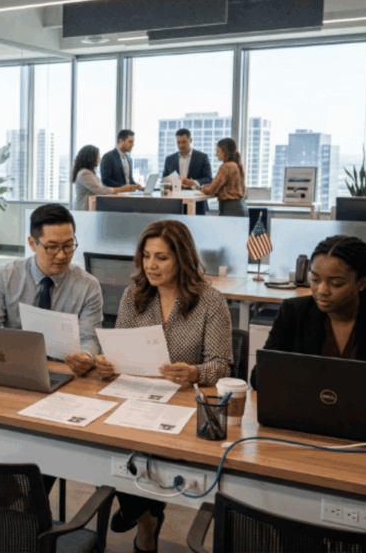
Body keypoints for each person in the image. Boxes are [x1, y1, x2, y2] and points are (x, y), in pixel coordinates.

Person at [93, 220, 233, 553]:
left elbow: (222, 365)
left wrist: (195, 373)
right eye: (146, 256)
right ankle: (145, 515)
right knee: (108, 441)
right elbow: (119, 348)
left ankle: (139, 514)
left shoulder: (210, 301)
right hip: (135, 395)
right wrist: (106, 361)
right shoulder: (134, 294)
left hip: (182, 404)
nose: (151, 266)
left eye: (162, 258)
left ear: (181, 259)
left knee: (134, 453)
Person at [0, 203, 104, 500]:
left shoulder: (87, 286)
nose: (62, 255)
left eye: (69, 245)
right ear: (32, 243)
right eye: (51, 247)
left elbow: (89, 338)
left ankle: (25, 509)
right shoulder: (4, 277)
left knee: (42, 454)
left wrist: (85, 357)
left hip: (62, 385)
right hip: (11, 379)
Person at [252, 235, 366, 433]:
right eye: (315, 279)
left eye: (335, 283)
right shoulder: (294, 312)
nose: (322, 290)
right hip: (302, 426)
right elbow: (260, 377)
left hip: (365, 433)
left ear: (361, 283)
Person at [73, 145, 141, 211]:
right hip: (83, 209)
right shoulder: (84, 173)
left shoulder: (90, 172)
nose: (99, 159)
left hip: (88, 209)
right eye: (98, 157)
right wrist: (122, 189)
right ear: (91, 158)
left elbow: (101, 189)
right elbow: (100, 190)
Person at [161, 128, 213, 215]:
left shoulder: (202, 157)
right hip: (175, 204)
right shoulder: (169, 159)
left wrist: (193, 182)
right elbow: (163, 179)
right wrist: (173, 181)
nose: (181, 145)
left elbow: (209, 179)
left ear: (191, 140)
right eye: (178, 142)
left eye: (184, 142)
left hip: (197, 203)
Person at [201, 138, 248, 217]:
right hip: (239, 207)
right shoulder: (235, 165)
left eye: (218, 151)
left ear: (225, 151)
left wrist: (202, 187)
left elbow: (212, 189)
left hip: (230, 208)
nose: (216, 154)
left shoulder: (226, 166)